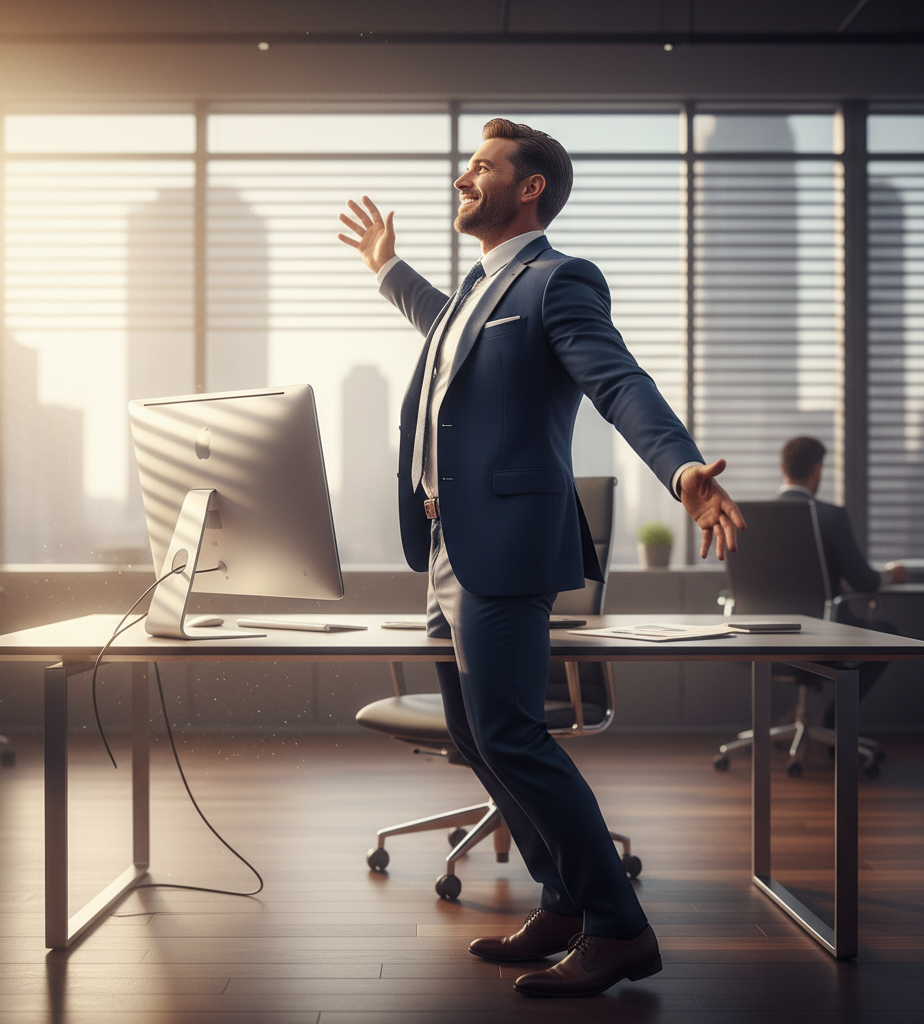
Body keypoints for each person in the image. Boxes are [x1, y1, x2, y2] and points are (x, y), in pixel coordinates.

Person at [337, 118, 745, 999]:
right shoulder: (474, 299)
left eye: (481, 166)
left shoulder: (559, 282)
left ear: (529, 188)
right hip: (445, 543)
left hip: (506, 546)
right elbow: (442, 326)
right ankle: (560, 900)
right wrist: (384, 269)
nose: (462, 179)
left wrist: (682, 471)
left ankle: (618, 927)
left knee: (514, 734)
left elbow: (619, 382)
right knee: (473, 735)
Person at [777, 436, 907, 722]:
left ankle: (798, 718)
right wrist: (891, 574)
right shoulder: (830, 516)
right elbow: (864, 582)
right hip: (823, 635)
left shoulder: (752, 517)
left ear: (781, 467)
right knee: (889, 636)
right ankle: (834, 719)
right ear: (817, 470)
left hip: (767, 640)